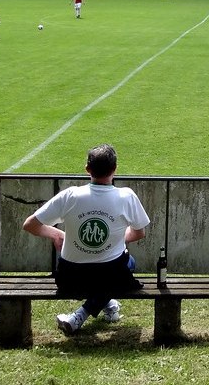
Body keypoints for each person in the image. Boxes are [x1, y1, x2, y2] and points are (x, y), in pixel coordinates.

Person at [22, 144, 151, 336]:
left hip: (70, 279)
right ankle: (86, 314)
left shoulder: (70, 195)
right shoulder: (126, 196)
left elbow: (29, 224)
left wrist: (55, 234)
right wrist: (116, 239)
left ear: (87, 169)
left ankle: (89, 312)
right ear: (115, 169)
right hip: (110, 277)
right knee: (126, 266)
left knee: (112, 273)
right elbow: (139, 233)